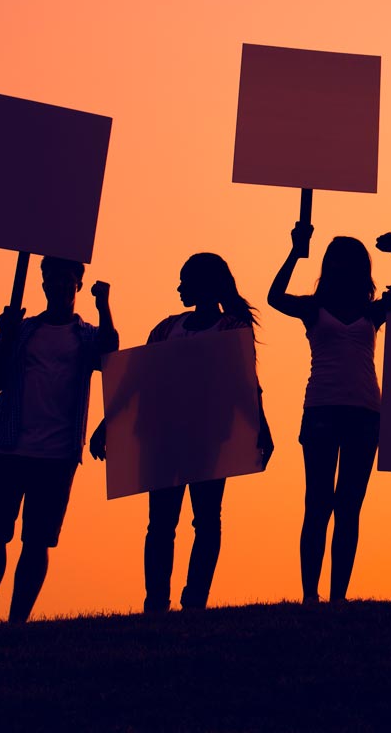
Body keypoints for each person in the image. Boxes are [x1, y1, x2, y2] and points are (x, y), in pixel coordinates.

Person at [91, 253, 269, 613]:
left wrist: (260, 427)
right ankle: (156, 601)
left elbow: (246, 383)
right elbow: (136, 379)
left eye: (185, 280)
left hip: (209, 437)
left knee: (205, 519)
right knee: (160, 523)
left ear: (205, 284)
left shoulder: (231, 329)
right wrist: (105, 423)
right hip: (162, 438)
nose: (179, 287)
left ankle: (195, 600)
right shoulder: (166, 328)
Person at [269, 224, 391, 603]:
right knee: (318, 503)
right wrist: (294, 251)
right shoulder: (313, 307)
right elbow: (274, 297)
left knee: (349, 507)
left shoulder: (373, 310)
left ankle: (338, 596)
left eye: (348, 259)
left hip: (365, 412)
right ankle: (310, 595)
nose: (341, 264)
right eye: (335, 258)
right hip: (321, 407)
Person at [0, 256, 117, 626]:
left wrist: (105, 307)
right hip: (7, 447)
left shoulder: (85, 335)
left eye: (66, 280)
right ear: (43, 284)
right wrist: (4, 333)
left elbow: (111, 358)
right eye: (51, 280)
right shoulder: (21, 331)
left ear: (77, 285)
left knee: (37, 541)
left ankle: (17, 622)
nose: (58, 287)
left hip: (56, 454)